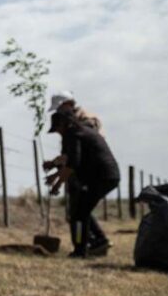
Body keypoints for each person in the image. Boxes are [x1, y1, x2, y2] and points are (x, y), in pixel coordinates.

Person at [44, 107, 119, 257]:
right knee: (81, 211)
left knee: (79, 214)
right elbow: (70, 161)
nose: (57, 132)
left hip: (102, 177)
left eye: (57, 129)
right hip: (104, 177)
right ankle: (96, 243)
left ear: (63, 124)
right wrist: (55, 174)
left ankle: (80, 250)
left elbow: (73, 164)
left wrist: (57, 184)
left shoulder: (73, 134)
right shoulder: (80, 131)